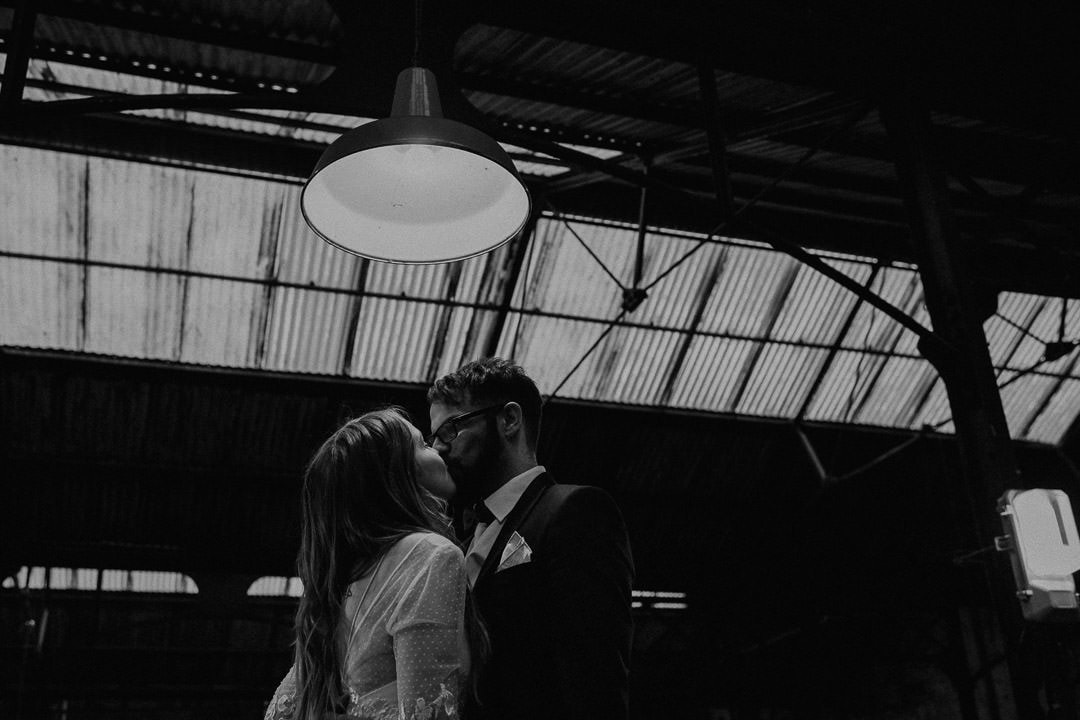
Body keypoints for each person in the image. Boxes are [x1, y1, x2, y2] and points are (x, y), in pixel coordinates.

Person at [427, 358, 635, 720]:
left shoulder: (575, 511)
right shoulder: (459, 543)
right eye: (433, 437)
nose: (439, 449)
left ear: (509, 420)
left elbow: (595, 681)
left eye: (450, 430)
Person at [263, 407, 477, 720]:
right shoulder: (432, 556)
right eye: (423, 445)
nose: (439, 449)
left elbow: (280, 712)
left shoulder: (341, 576)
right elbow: (428, 714)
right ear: (397, 474)